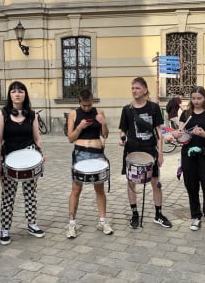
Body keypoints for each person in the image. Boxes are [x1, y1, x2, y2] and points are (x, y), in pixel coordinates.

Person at [0, 81, 45, 245]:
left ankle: (32, 223)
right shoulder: (2, 114)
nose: (17, 94)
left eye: (20, 91)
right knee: (8, 196)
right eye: (14, 91)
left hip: (29, 158)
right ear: (9, 95)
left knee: (31, 194)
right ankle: (5, 229)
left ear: (25, 94)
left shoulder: (32, 114)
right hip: (9, 158)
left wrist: (40, 157)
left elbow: (37, 138)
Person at [118, 77, 172, 229]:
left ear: (145, 90)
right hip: (132, 151)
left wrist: (160, 154)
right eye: (132, 88)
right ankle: (135, 214)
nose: (134, 91)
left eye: (137, 88)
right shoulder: (127, 109)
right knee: (131, 182)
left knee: (156, 182)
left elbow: (160, 132)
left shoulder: (154, 108)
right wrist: (122, 139)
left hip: (150, 149)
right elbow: (122, 130)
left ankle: (158, 214)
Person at [66, 89, 113, 239]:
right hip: (81, 153)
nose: (87, 108)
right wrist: (79, 127)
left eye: (89, 105)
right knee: (76, 189)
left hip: (97, 154)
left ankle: (103, 221)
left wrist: (103, 123)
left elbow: (105, 134)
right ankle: (72, 224)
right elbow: (70, 138)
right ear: (79, 103)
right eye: (84, 106)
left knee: (99, 188)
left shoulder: (99, 112)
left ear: (93, 102)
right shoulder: (74, 114)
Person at [172, 86, 205, 233]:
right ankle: (196, 216)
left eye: (199, 98)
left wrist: (204, 134)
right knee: (191, 186)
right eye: (193, 98)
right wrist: (177, 135)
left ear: (204, 98)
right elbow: (181, 135)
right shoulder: (186, 114)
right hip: (188, 154)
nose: (196, 101)